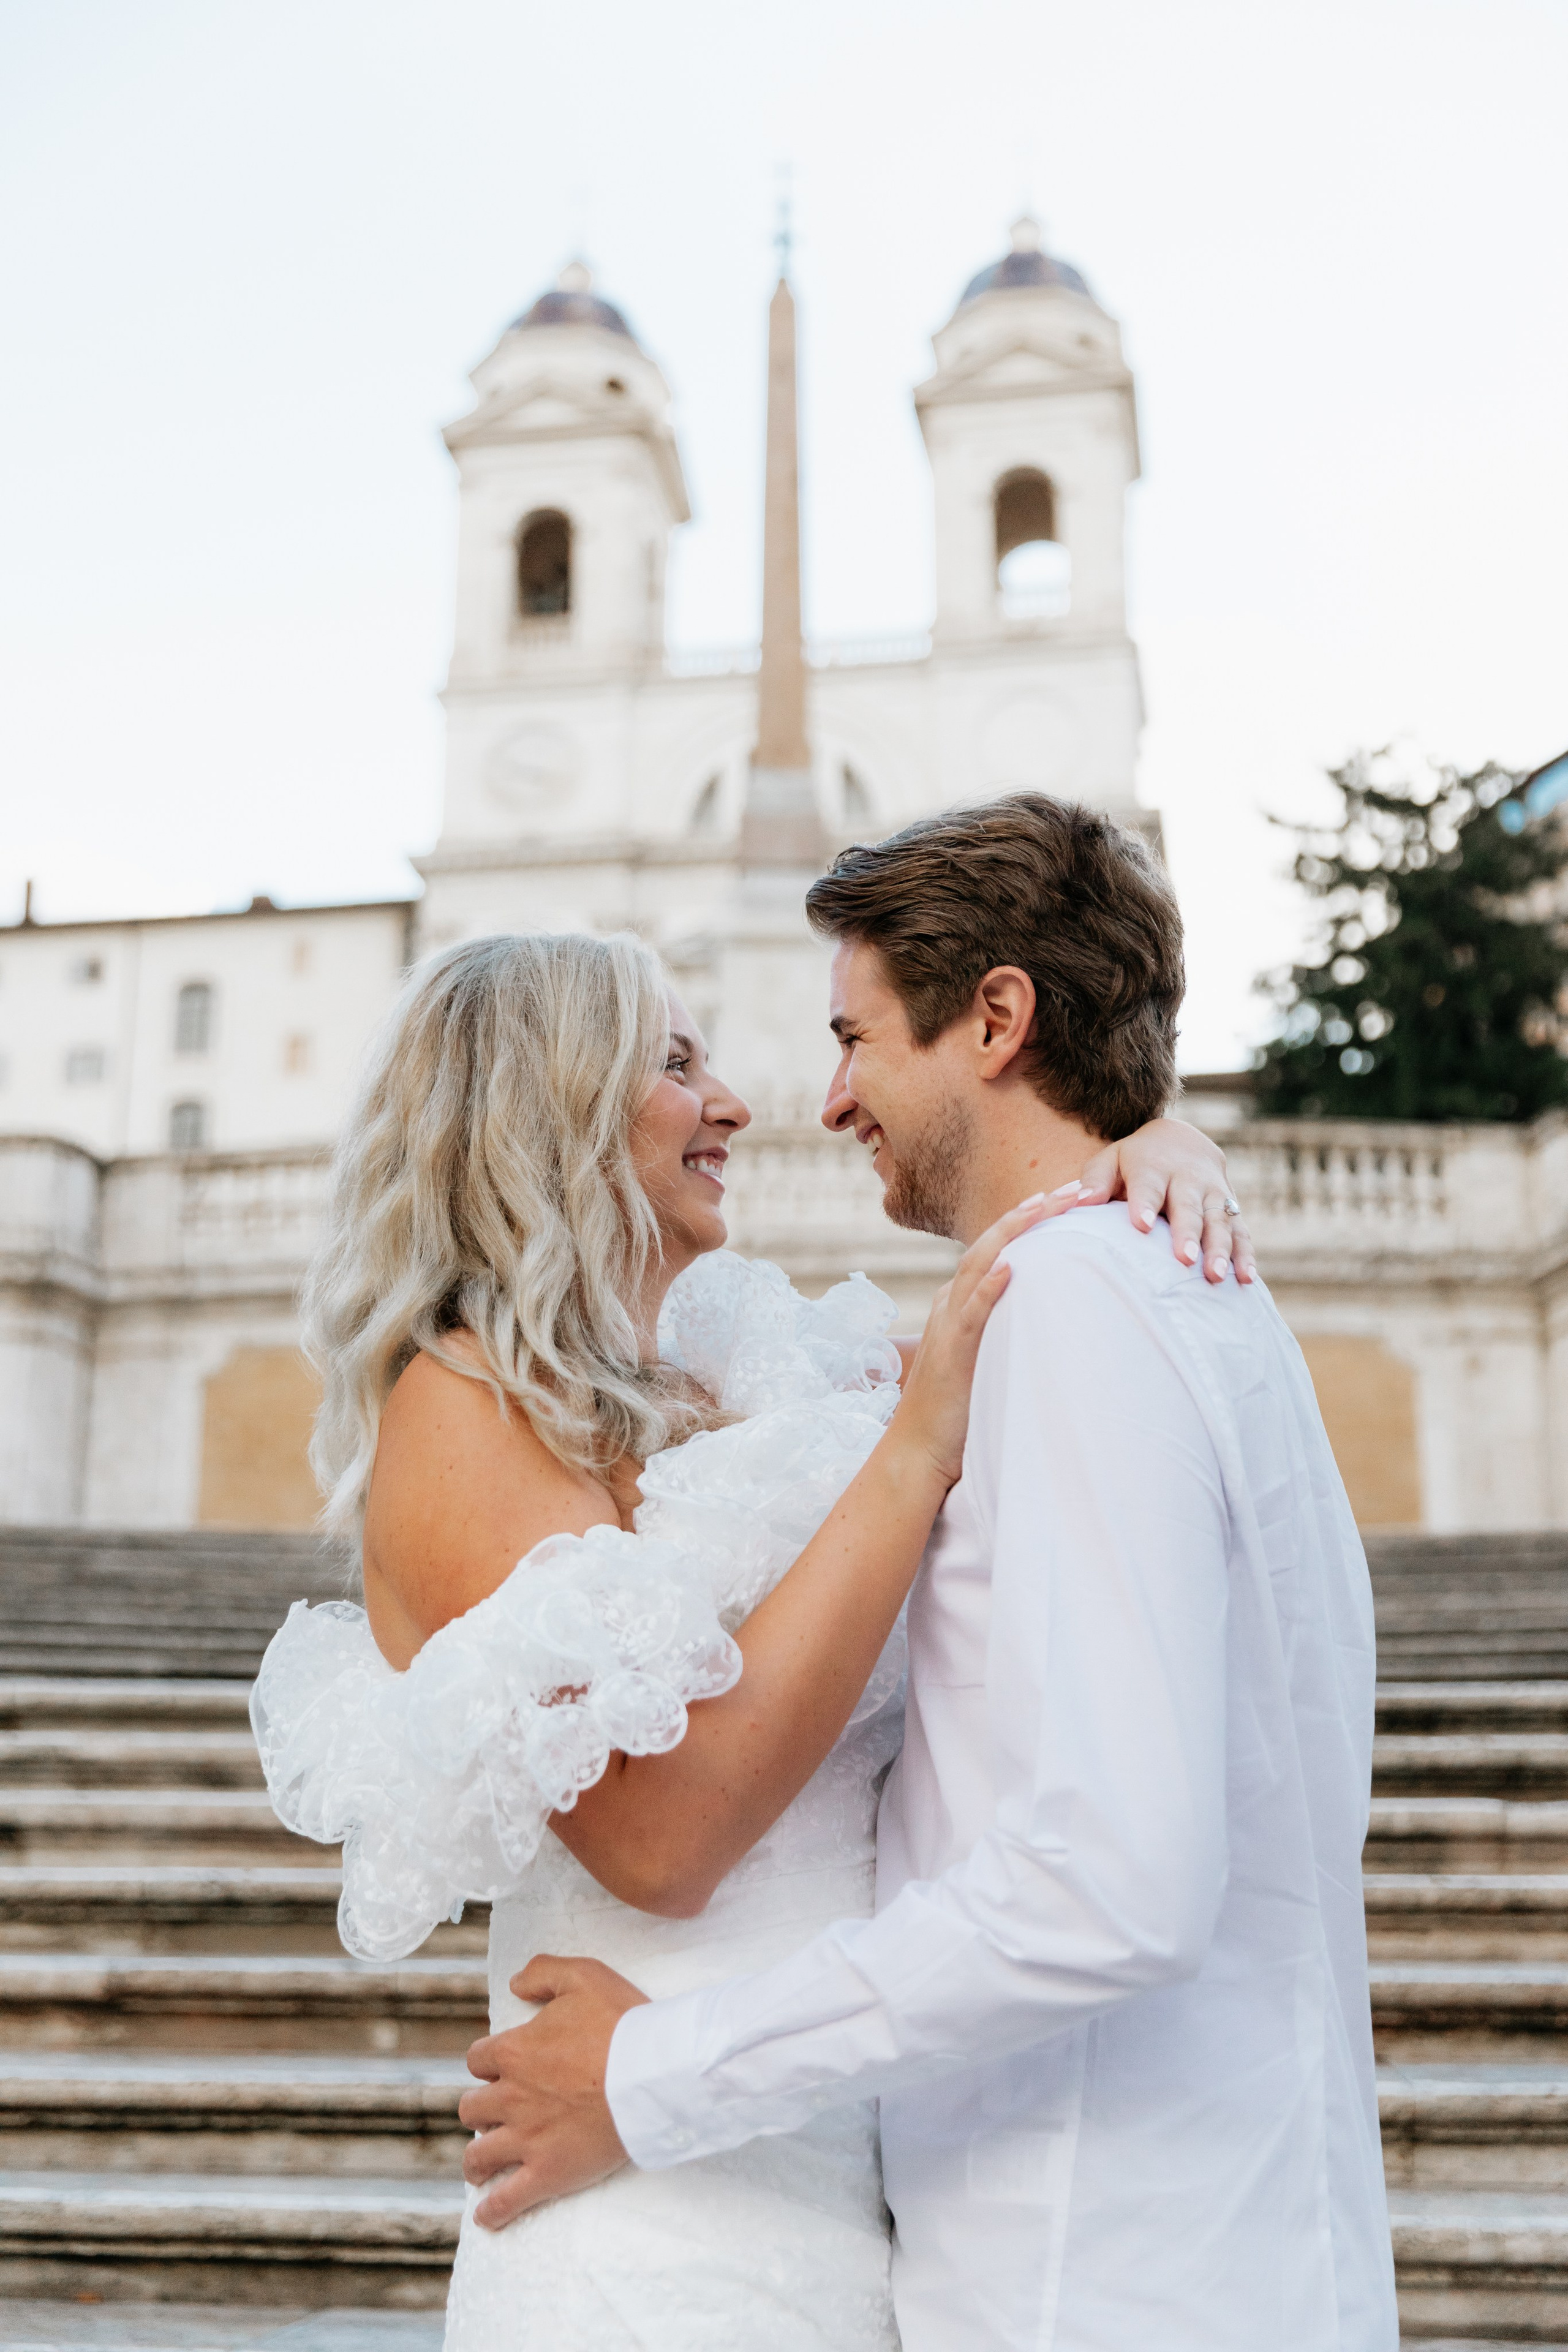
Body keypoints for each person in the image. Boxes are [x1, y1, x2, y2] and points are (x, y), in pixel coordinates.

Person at [456, 796, 1399, 2352]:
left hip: (1099, 2279)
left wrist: (655, 2074)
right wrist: (1148, 1129)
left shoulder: (1088, 1311)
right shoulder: (1168, 1292)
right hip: (1189, 2246)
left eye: (857, 1038)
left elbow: (1109, 1884)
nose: (827, 1101)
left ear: (996, 1020)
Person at [249, 913, 1248, 2351]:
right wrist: (907, 1454)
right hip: (645, 2221)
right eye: (671, 1063)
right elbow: (665, 1839)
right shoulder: (453, 1414)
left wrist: (1148, 1148)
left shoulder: (738, 1361)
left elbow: (1028, 1339)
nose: (732, 1102)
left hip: (835, 2160)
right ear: (548, 1110)